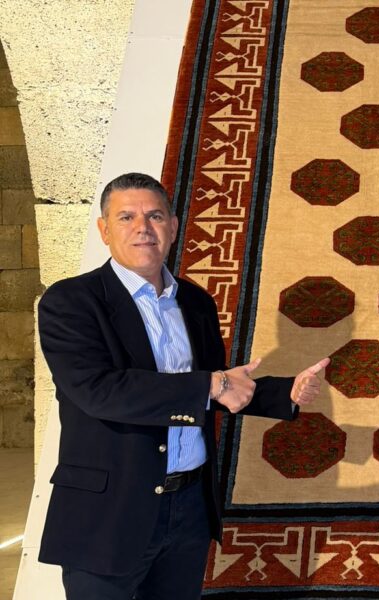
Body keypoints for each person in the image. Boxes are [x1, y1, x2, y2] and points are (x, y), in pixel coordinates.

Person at [36, 172, 329, 599]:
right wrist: (212, 384)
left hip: (188, 507)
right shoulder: (70, 302)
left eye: (155, 216)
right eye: (126, 217)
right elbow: (98, 391)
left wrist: (284, 392)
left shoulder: (196, 302)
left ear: (173, 228)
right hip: (108, 513)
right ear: (104, 230)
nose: (143, 227)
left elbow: (215, 384)